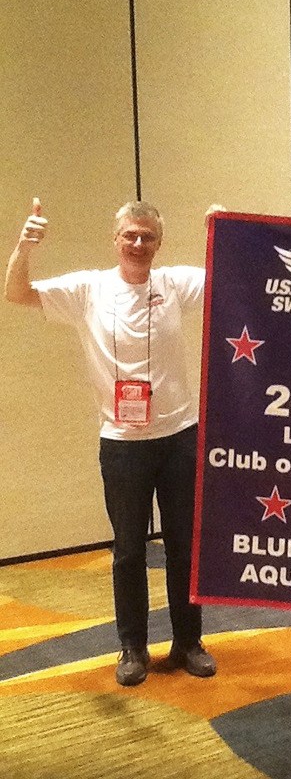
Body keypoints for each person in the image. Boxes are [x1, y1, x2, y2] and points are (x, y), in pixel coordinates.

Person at [5, 198, 216, 686]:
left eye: (147, 237)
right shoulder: (88, 289)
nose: (138, 244)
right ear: (115, 238)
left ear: (159, 243)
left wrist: (218, 229)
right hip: (122, 443)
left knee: (185, 546)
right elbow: (18, 294)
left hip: (180, 436)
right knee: (128, 550)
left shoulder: (173, 283)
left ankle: (189, 642)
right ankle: (132, 648)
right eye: (130, 236)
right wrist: (24, 246)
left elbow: (234, 276)